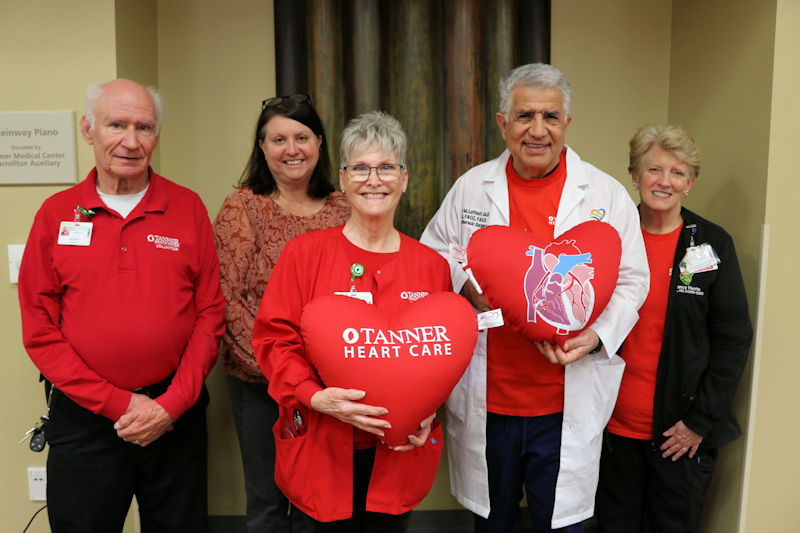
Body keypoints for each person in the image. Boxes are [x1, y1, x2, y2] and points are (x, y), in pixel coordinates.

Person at [420, 63, 650, 532]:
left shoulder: (604, 194)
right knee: (493, 523)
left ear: (567, 123)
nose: (538, 131)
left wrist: (597, 336)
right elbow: (433, 252)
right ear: (503, 123)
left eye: (550, 117)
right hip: (492, 402)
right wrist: (468, 285)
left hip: (565, 402)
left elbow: (633, 280)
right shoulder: (471, 188)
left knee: (561, 526)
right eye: (525, 116)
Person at [18, 79, 225, 532]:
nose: (131, 141)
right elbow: (39, 330)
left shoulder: (187, 208)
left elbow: (211, 315)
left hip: (175, 416)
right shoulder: (56, 214)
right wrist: (117, 404)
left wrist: (170, 405)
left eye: (144, 127)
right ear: (88, 130)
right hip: (85, 419)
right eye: (117, 125)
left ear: (156, 136)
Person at [252, 111, 452, 532]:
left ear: (405, 178)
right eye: (360, 168)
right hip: (321, 449)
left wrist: (427, 413)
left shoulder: (431, 267)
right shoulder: (304, 255)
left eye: (386, 167)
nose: (373, 180)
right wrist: (311, 395)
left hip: (397, 456)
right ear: (342, 179)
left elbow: (441, 352)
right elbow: (274, 341)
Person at [594, 124, 752, 533]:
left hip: (680, 434)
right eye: (653, 170)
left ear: (690, 183)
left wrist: (701, 421)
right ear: (634, 175)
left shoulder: (711, 246)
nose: (664, 182)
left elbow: (733, 340)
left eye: (677, 173)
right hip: (611, 429)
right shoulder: (607, 238)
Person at [213, 94, 350, 533]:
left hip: (331, 385)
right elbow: (226, 296)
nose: (292, 149)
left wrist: (319, 377)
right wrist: (284, 372)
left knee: (321, 498)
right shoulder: (244, 207)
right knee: (268, 498)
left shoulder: (343, 209)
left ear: (319, 143)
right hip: (261, 382)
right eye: (279, 139)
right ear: (262, 146)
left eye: (302, 137)